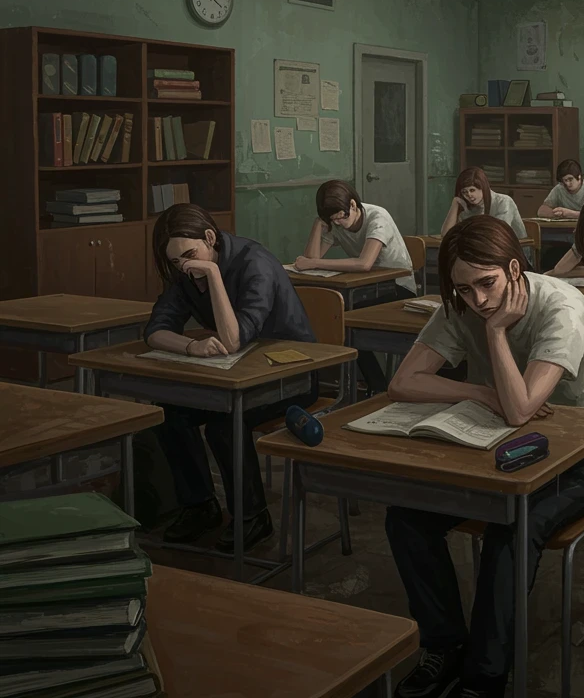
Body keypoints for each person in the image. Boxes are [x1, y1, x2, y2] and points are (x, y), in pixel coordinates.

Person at [383, 216, 584, 698]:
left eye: (486, 285)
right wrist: (479, 392)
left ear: (513, 269)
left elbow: (520, 408)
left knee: (511, 526)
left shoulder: (561, 308)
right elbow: (403, 382)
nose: (478, 300)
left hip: (582, 461)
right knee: (405, 516)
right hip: (494, 453)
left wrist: (495, 334)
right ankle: (444, 645)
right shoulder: (462, 299)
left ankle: (484, 677)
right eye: (464, 290)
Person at [145, 203, 315, 552]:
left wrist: (213, 275)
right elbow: (156, 330)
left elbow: (233, 340)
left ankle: (252, 516)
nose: (184, 268)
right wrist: (190, 348)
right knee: (169, 414)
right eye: (176, 262)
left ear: (210, 237)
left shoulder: (256, 264)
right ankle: (200, 506)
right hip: (234, 377)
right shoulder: (185, 269)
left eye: (189, 256)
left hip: (290, 375)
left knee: (226, 422)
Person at [295, 179, 416, 395]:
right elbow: (311, 258)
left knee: (345, 318)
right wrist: (318, 224)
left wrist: (313, 263)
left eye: (341, 217)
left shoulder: (378, 217)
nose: (339, 223)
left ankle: (375, 385)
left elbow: (364, 263)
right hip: (365, 288)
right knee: (327, 312)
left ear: (352, 204)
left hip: (398, 289)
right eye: (332, 220)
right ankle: (354, 384)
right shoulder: (335, 219)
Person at [441, 167, 528, 239]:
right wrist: (455, 204)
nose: (469, 195)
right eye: (464, 192)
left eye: (472, 190)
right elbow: (446, 235)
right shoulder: (467, 207)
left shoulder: (503, 201)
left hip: (512, 250)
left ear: (482, 187)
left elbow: (498, 234)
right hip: (482, 249)